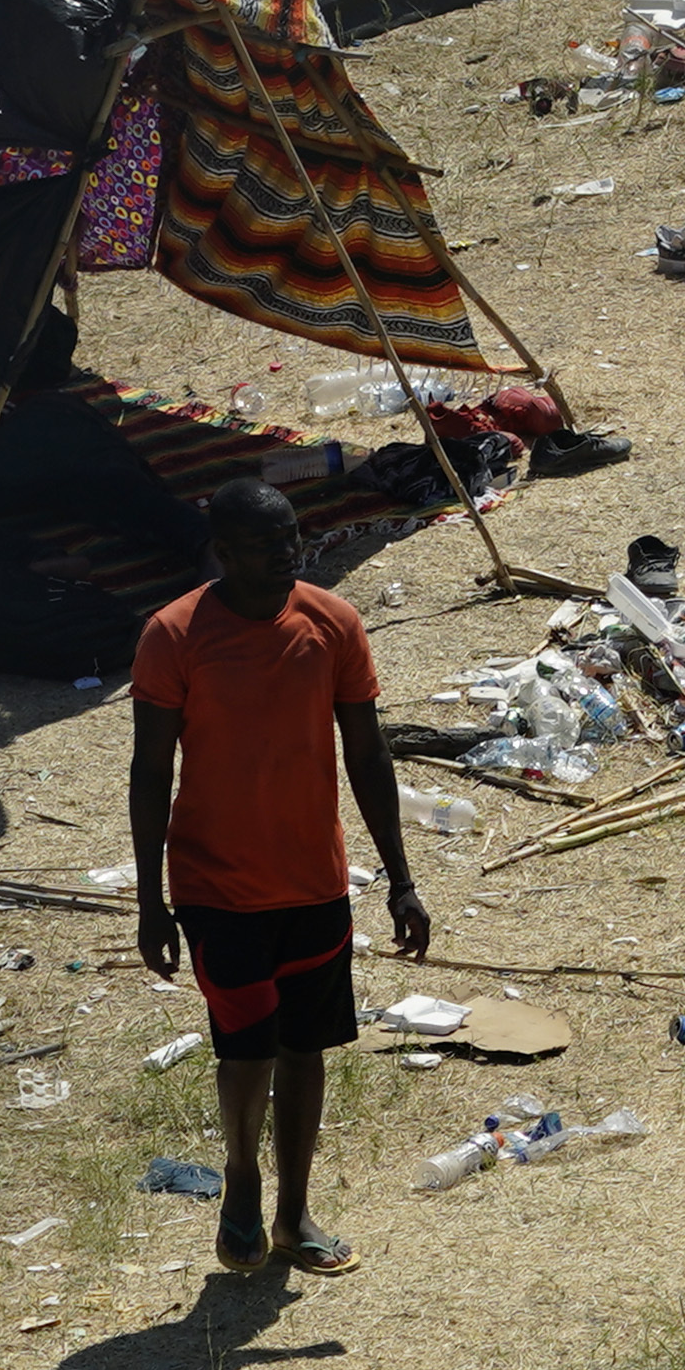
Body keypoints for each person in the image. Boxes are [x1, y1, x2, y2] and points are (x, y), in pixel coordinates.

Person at [129, 480, 428, 1277]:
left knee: (307, 1048)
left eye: (291, 537)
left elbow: (368, 754)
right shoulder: (174, 634)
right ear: (223, 553)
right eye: (265, 543)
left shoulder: (333, 623)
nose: (286, 553)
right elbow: (150, 771)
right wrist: (150, 901)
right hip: (214, 887)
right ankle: (241, 1182)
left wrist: (401, 877)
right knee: (246, 1050)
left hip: (314, 883)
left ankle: (293, 1215)